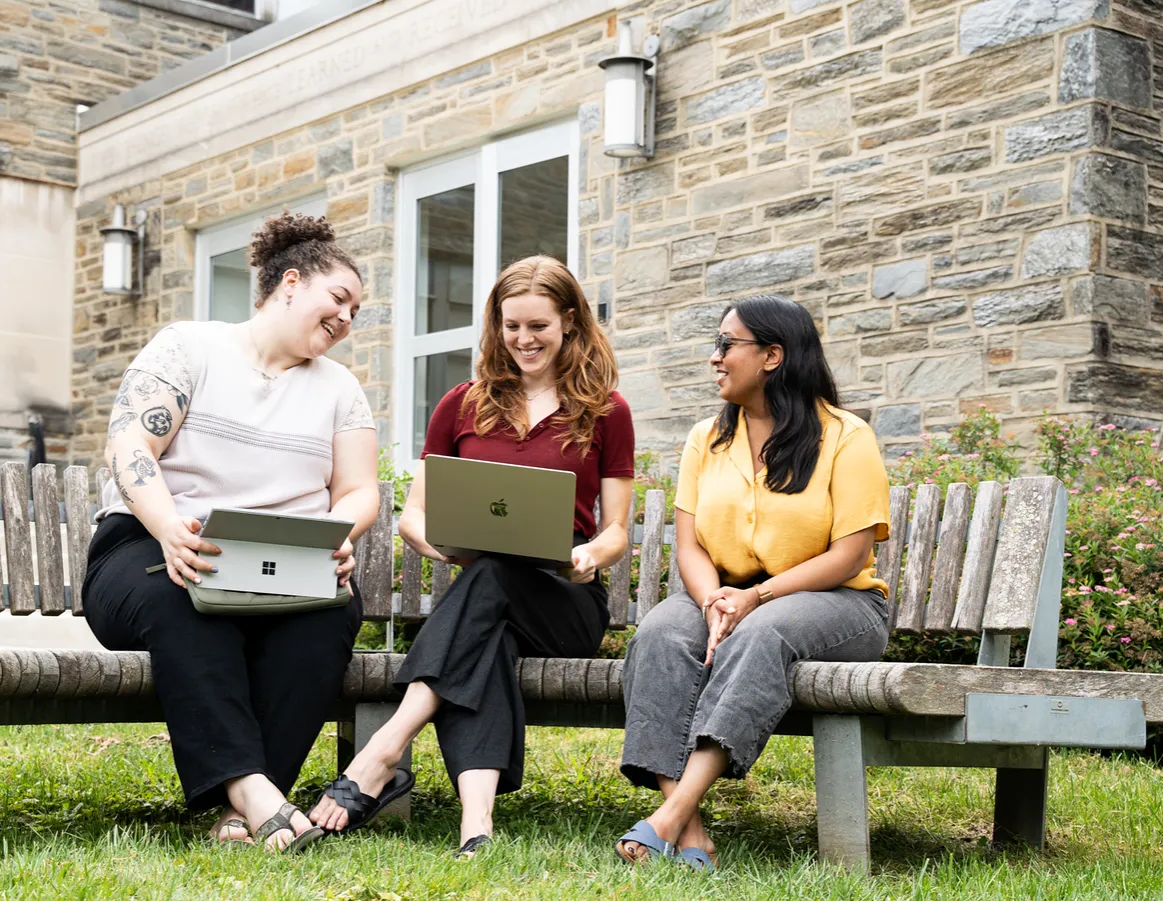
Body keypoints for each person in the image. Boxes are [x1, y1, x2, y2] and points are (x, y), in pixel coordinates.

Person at [307, 255, 635, 857]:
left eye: (538, 326)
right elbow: (414, 516)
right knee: (489, 628)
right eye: (512, 326)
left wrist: (589, 554)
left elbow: (616, 529)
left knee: (494, 578)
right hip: (487, 598)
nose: (523, 339)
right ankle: (476, 825)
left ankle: (383, 752)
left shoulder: (606, 410)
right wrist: (442, 542)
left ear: (569, 321)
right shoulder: (461, 404)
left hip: (563, 601)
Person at [82, 212, 379, 852]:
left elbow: (360, 490)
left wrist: (334, 536)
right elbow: (129, 444)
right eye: (339, 298)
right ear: (291, 282)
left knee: (332, 610)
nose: (346, 318)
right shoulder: (187, 348)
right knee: (184, 596)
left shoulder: (340, 389)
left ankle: (242, 813)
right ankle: (256, 792)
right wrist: (169, 527)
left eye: (356, 311)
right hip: (149, 546)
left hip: (279, 561)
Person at [614, 294, 892, 872]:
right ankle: (691, 833)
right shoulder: (706, 438)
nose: (715, 358)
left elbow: (850, 555)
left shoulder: (846, 436)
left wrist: (756, 597)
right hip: (725, 593)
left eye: (726, 345)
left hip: (837, 604)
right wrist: (712, 601)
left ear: (772, 356)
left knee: (762, 631)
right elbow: (690, 546)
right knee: (660, 634)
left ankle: (669, 817)